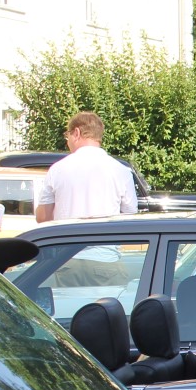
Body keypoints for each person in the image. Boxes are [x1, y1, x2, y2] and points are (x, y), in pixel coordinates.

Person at [34, 111, 136, 285]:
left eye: (67, 135)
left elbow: (43, 218)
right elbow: (130, 216)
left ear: (77, 133)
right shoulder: (120, 170)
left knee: (69, 312)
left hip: (66, 260)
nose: (67, 141)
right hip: (106, 258)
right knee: (109, 311)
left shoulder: (58, 169)